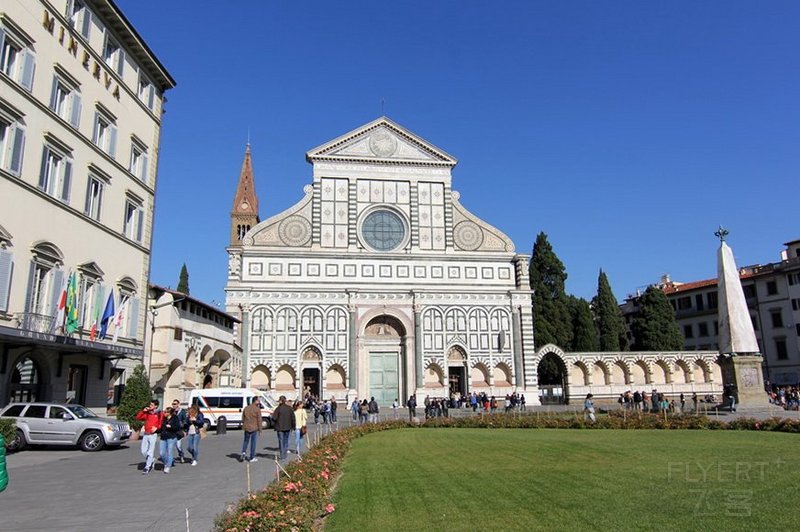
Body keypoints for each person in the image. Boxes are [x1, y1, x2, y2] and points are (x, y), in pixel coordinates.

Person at [136, 400, 163, 474]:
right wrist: (143, 411)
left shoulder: (159, 413)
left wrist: (157, 428)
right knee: (143, 451)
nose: (150, 406)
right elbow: (138, 417)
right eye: (150, 404)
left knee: (150, 452)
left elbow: (161, 423)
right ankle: (152, 460)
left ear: (156, 406)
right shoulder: (147, 413)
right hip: (146, 434)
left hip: (153, 435)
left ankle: (147, 467)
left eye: (151, 405)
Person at [158, 407, 182, 474]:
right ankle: (167, 463)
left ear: (169, 413)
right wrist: (156, 431)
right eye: (164, 412)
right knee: (161, 453)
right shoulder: (164, 419)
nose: (164, 413)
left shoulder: (175, 418)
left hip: (171, 437)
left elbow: (178, 427)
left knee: (170, 452)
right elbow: (161, 428)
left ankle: (168, 466)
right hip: (163, 437)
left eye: (166, 412)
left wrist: (171, 427)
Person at [273, 395, 295, 461]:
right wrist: (293, 426)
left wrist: (275, 422)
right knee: (285, 441)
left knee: (281, 441)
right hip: (288, 427)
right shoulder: (289, 408)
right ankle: (285, 455)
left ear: (280, 401)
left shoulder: (278, 409)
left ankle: (282, 455)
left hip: (279, 427)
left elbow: (274, 418)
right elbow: (293, 418)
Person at [240, 398, 262, 462]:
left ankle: (243, 452)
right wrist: (260, 429)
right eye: (258, 401)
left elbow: (243, 418)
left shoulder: (246, 408)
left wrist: (244, 424)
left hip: (246, 427)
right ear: (255, 401)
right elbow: (259, 420)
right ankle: (252, 457)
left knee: (245, 441)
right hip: (254, 428)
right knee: (253, 442)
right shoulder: (257, 409)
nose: (259, 402)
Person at [171, 399, 187, 464]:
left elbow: (185, 420)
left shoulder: (182, 411)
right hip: (171, 431)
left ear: (178, 404)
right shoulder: (171, 411)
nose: (174, 405)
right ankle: (171, 459)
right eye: (173, 404)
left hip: (178, 431)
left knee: (178, 446)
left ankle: (181, 456)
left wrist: (184, 429)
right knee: (171, 445)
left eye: (175, 404)